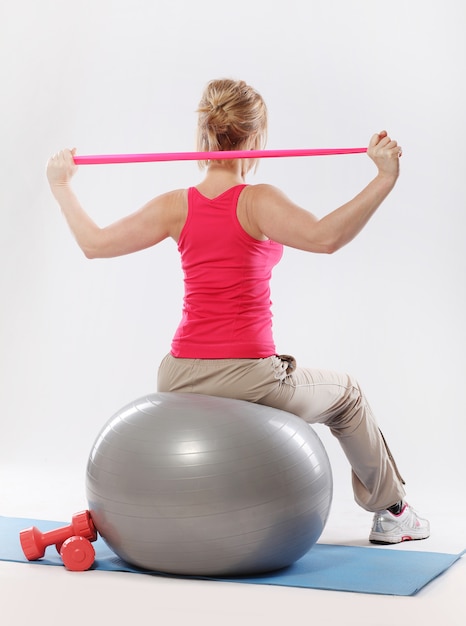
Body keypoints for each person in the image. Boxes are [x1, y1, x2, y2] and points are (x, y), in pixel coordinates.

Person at [46, 78, 429, 544]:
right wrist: (384, 177)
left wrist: (61, 184)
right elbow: (326, 238)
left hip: (179, 373)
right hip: (249, 377)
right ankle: (393, 511)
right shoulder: (258, 201)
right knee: (347, 396)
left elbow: (94, 244)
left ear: (202, 136)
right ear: (256, 139)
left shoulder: (175, 205)